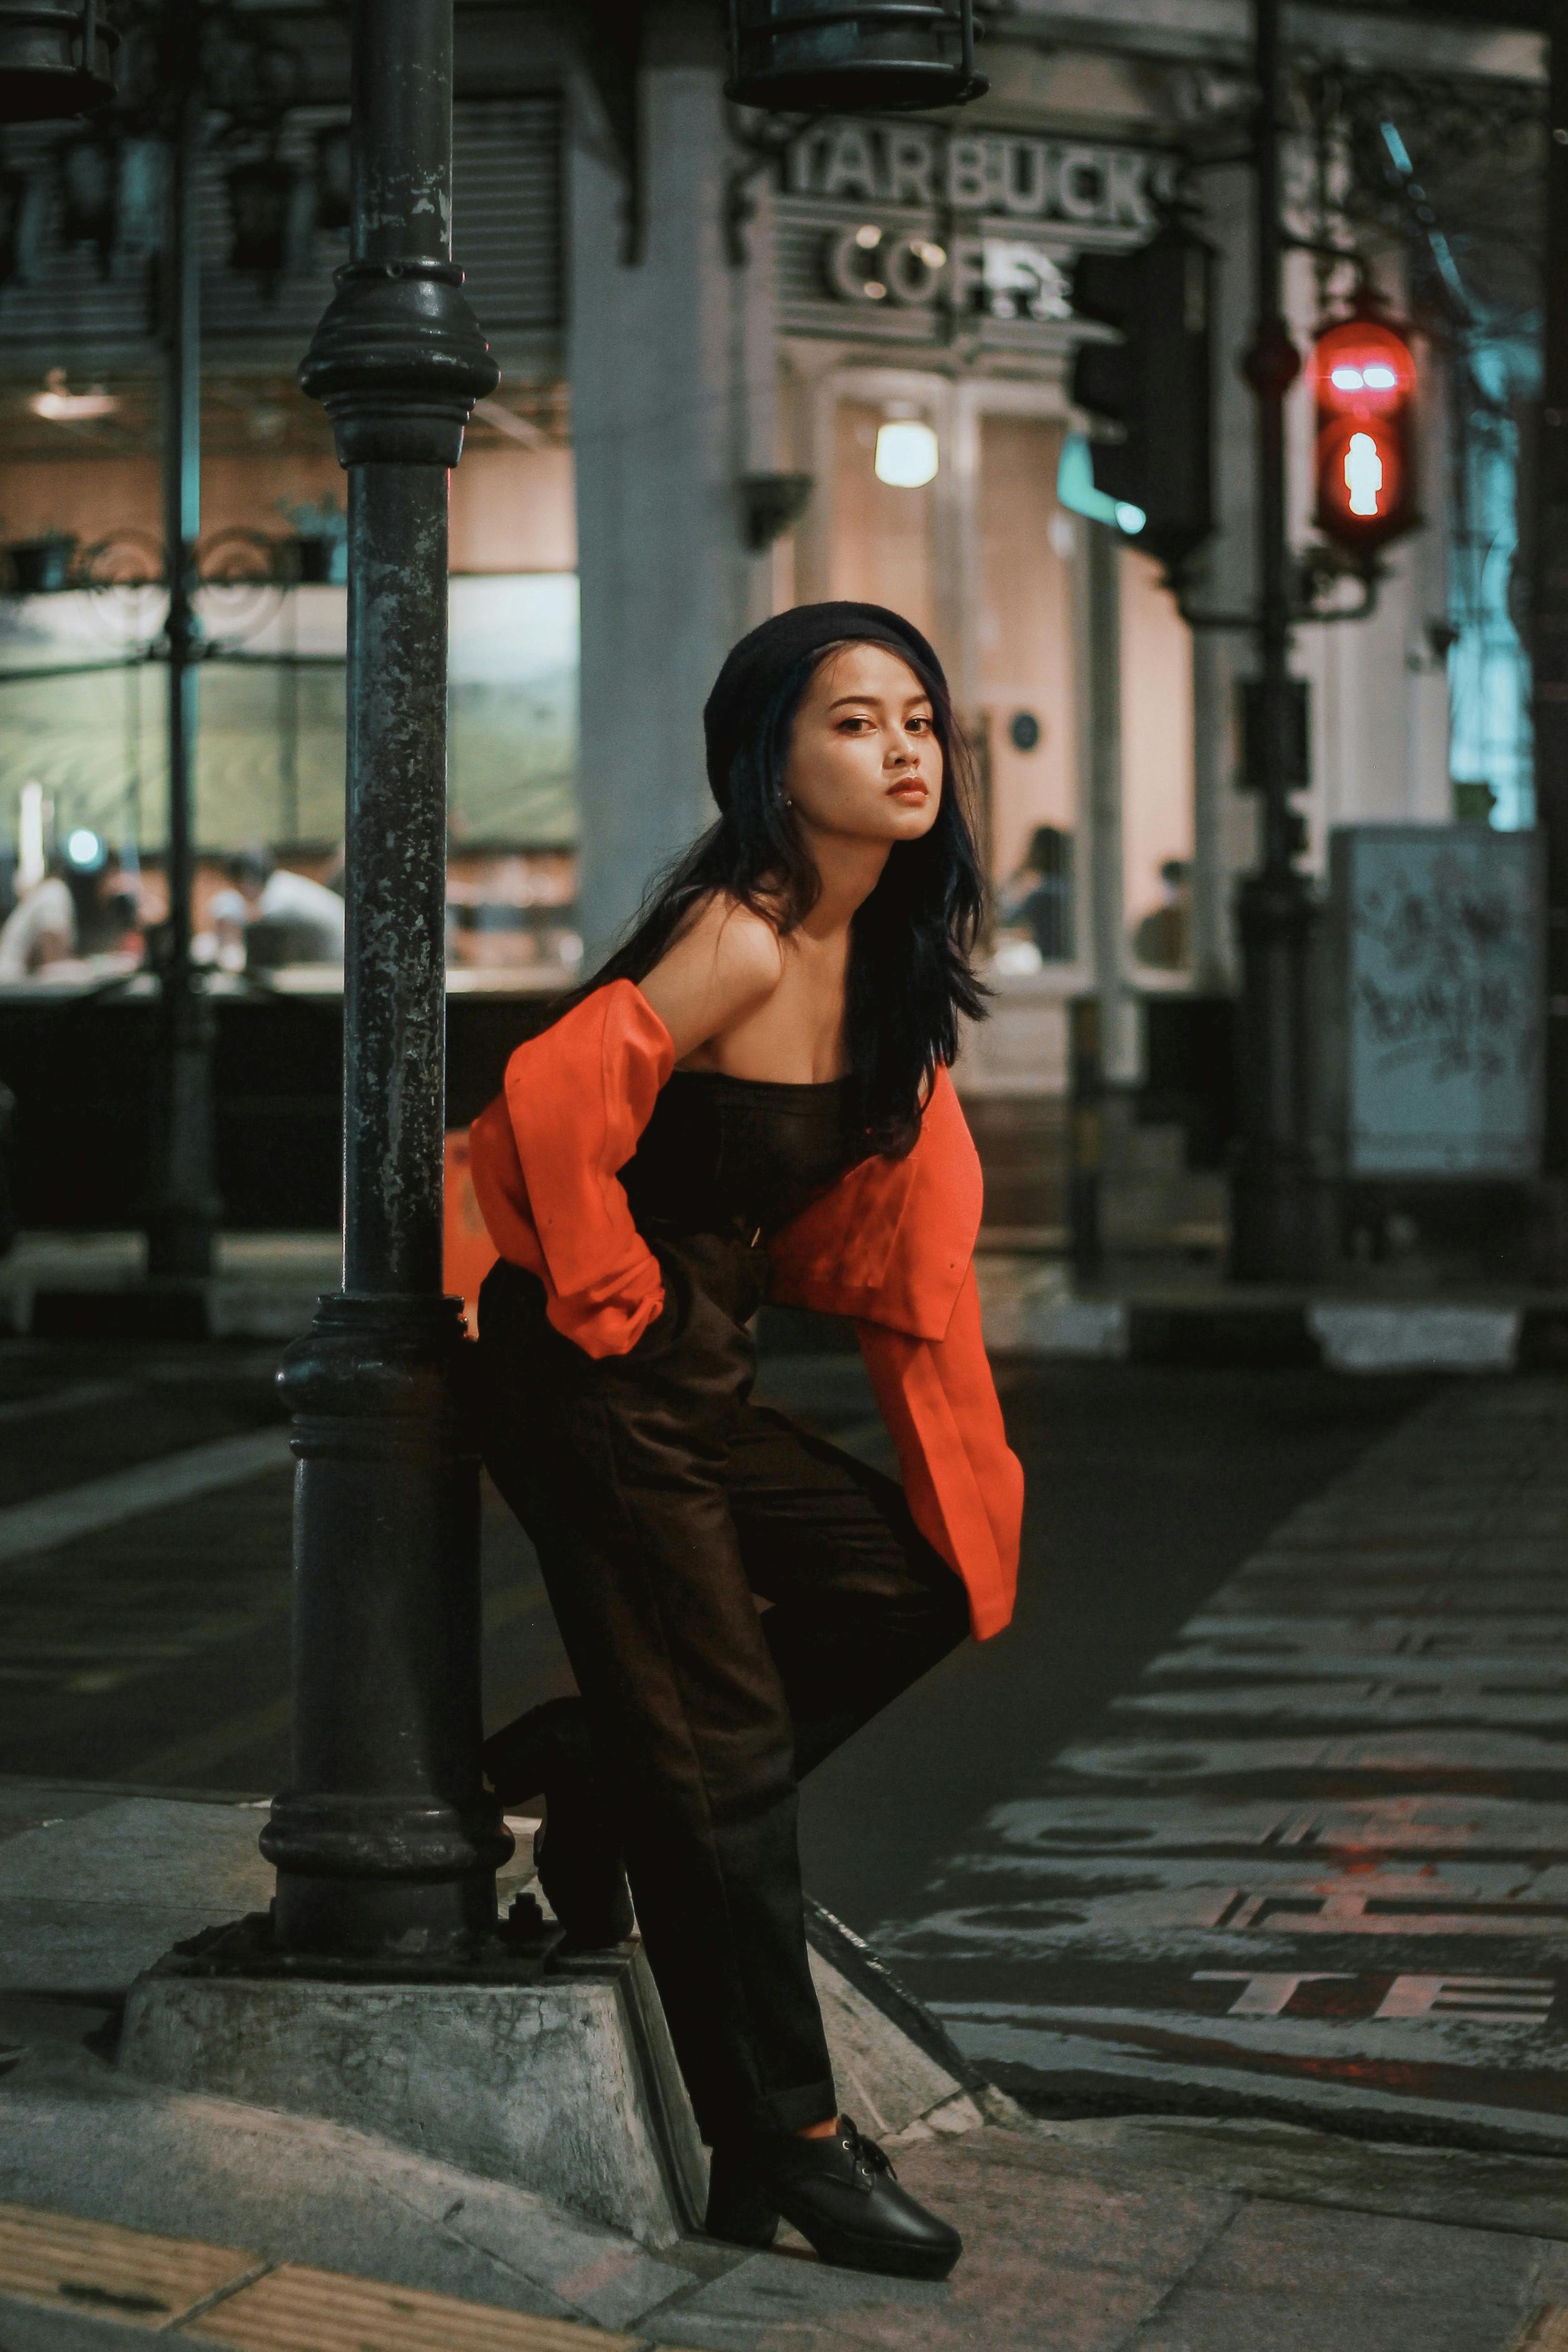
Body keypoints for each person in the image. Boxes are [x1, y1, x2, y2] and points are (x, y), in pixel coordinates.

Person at [468, 603, 1024, 2282]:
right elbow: (553, 1092)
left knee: (907, 1578)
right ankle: (784, 2142)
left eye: (917, 716)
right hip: (590, 1374)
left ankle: (590, 1759)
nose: (903, 746)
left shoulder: (884, 961)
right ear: (765, 763)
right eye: (853, 722)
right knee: (727, 1767)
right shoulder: (743, 935)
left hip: (690, 1382)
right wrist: (601, 1271)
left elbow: (901, 1239)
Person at [208, 847, 345, 967]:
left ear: (247, 880)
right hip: (334, 962)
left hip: (337, 968)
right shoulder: (281, 884)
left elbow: (247, 929)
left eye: (236, 884)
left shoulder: (279, 901)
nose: (237, 891)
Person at [0, 856, 76, 981]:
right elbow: (52, 961)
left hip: (14, 982)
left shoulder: (44, 892)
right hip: (13, 986)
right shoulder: (54, 892)